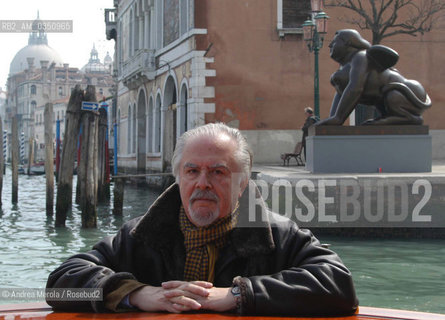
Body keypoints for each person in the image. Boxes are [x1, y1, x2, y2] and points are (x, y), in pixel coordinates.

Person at [46, 123, 358, 316]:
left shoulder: (277, 234)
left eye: (218, 172)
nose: (203, 183)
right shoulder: (141, 235)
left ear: (242, 184)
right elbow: (61, 287)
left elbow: (339, 286)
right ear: (178, 178)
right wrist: (135, 293)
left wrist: (240, 294)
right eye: (192, 171)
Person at [317, 29, 431, 126]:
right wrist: (333, 118)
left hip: (410, 93)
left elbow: (355, 88)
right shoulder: (346, 65)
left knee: (393, 96)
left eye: (334, 42)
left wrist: (338, 118)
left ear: (347, 43)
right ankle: (393, 117)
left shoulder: (360, 57)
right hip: (391, 96)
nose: (329, 45)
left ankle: (408, 117)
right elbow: (341, 92)